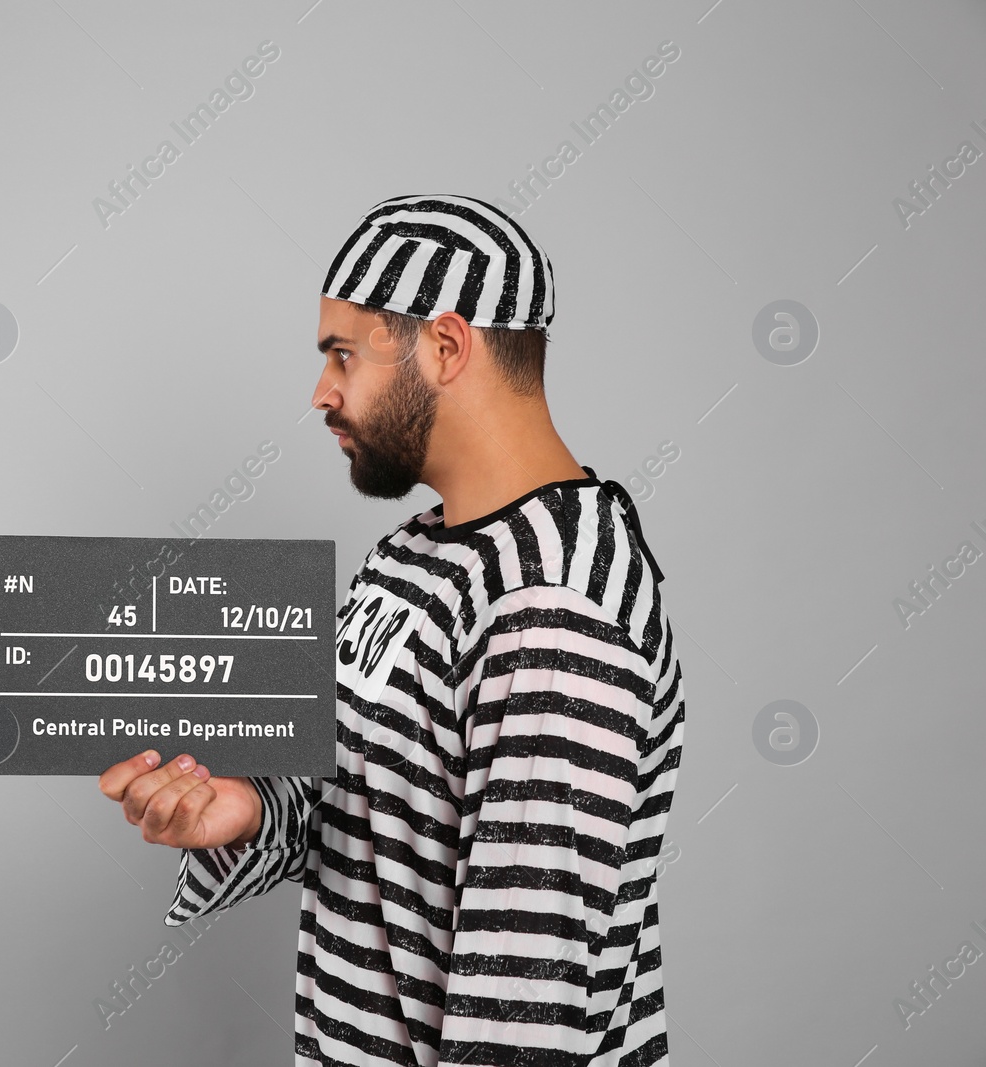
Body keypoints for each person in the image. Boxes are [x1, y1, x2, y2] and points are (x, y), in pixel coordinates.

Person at [98, 194, 686, 1066]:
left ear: (445, 347)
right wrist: (252, 809)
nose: (321, 392)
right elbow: (373, 814)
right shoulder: (417, 549)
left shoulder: (553, 604)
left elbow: (523, 1010)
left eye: (344, 355)